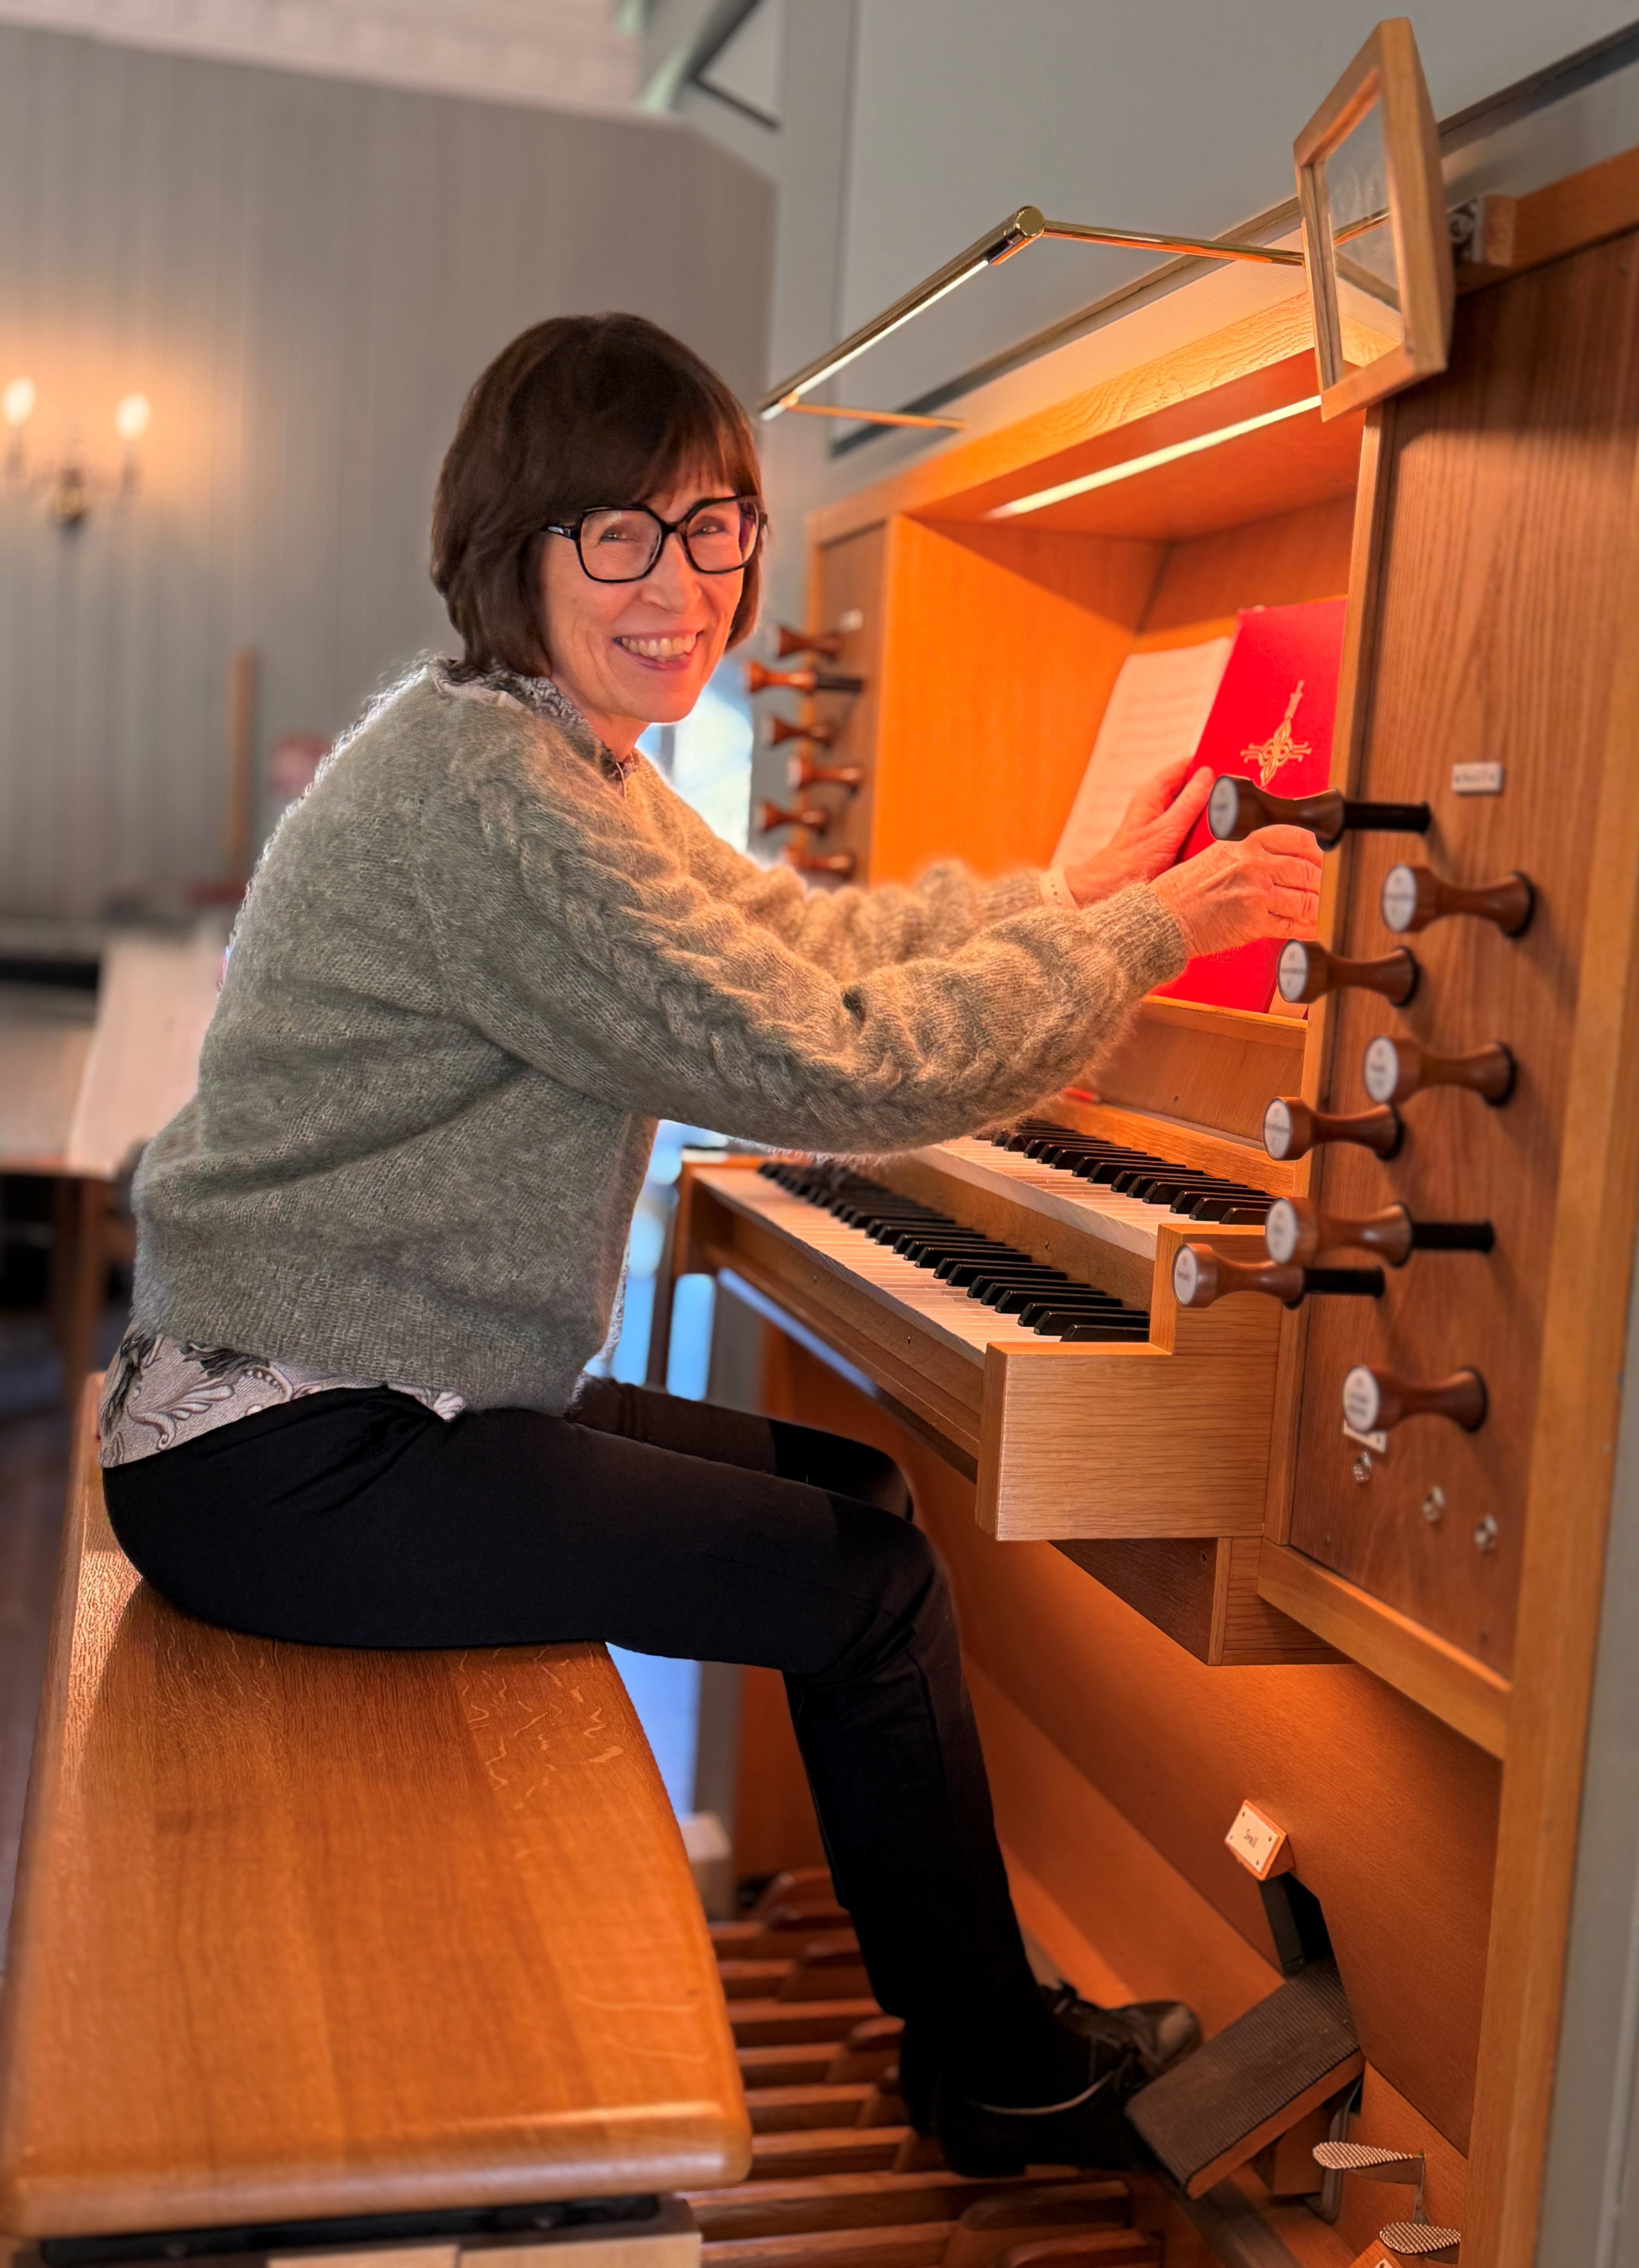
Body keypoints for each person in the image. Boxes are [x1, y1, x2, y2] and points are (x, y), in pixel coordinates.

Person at [100, 314, 1323, 2177]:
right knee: (871, 1586)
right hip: (287, 1454)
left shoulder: (553, 757)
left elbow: (791, 946)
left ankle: (969, 2018)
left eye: (714, 527)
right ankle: (997, 2074)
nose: (681, 587)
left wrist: (1070, 895)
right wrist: (1153, 936)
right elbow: (827, 1062)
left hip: (362, 1396)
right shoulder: (498, 800)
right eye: (621, 534)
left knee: (856, 1503)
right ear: (514, 545)